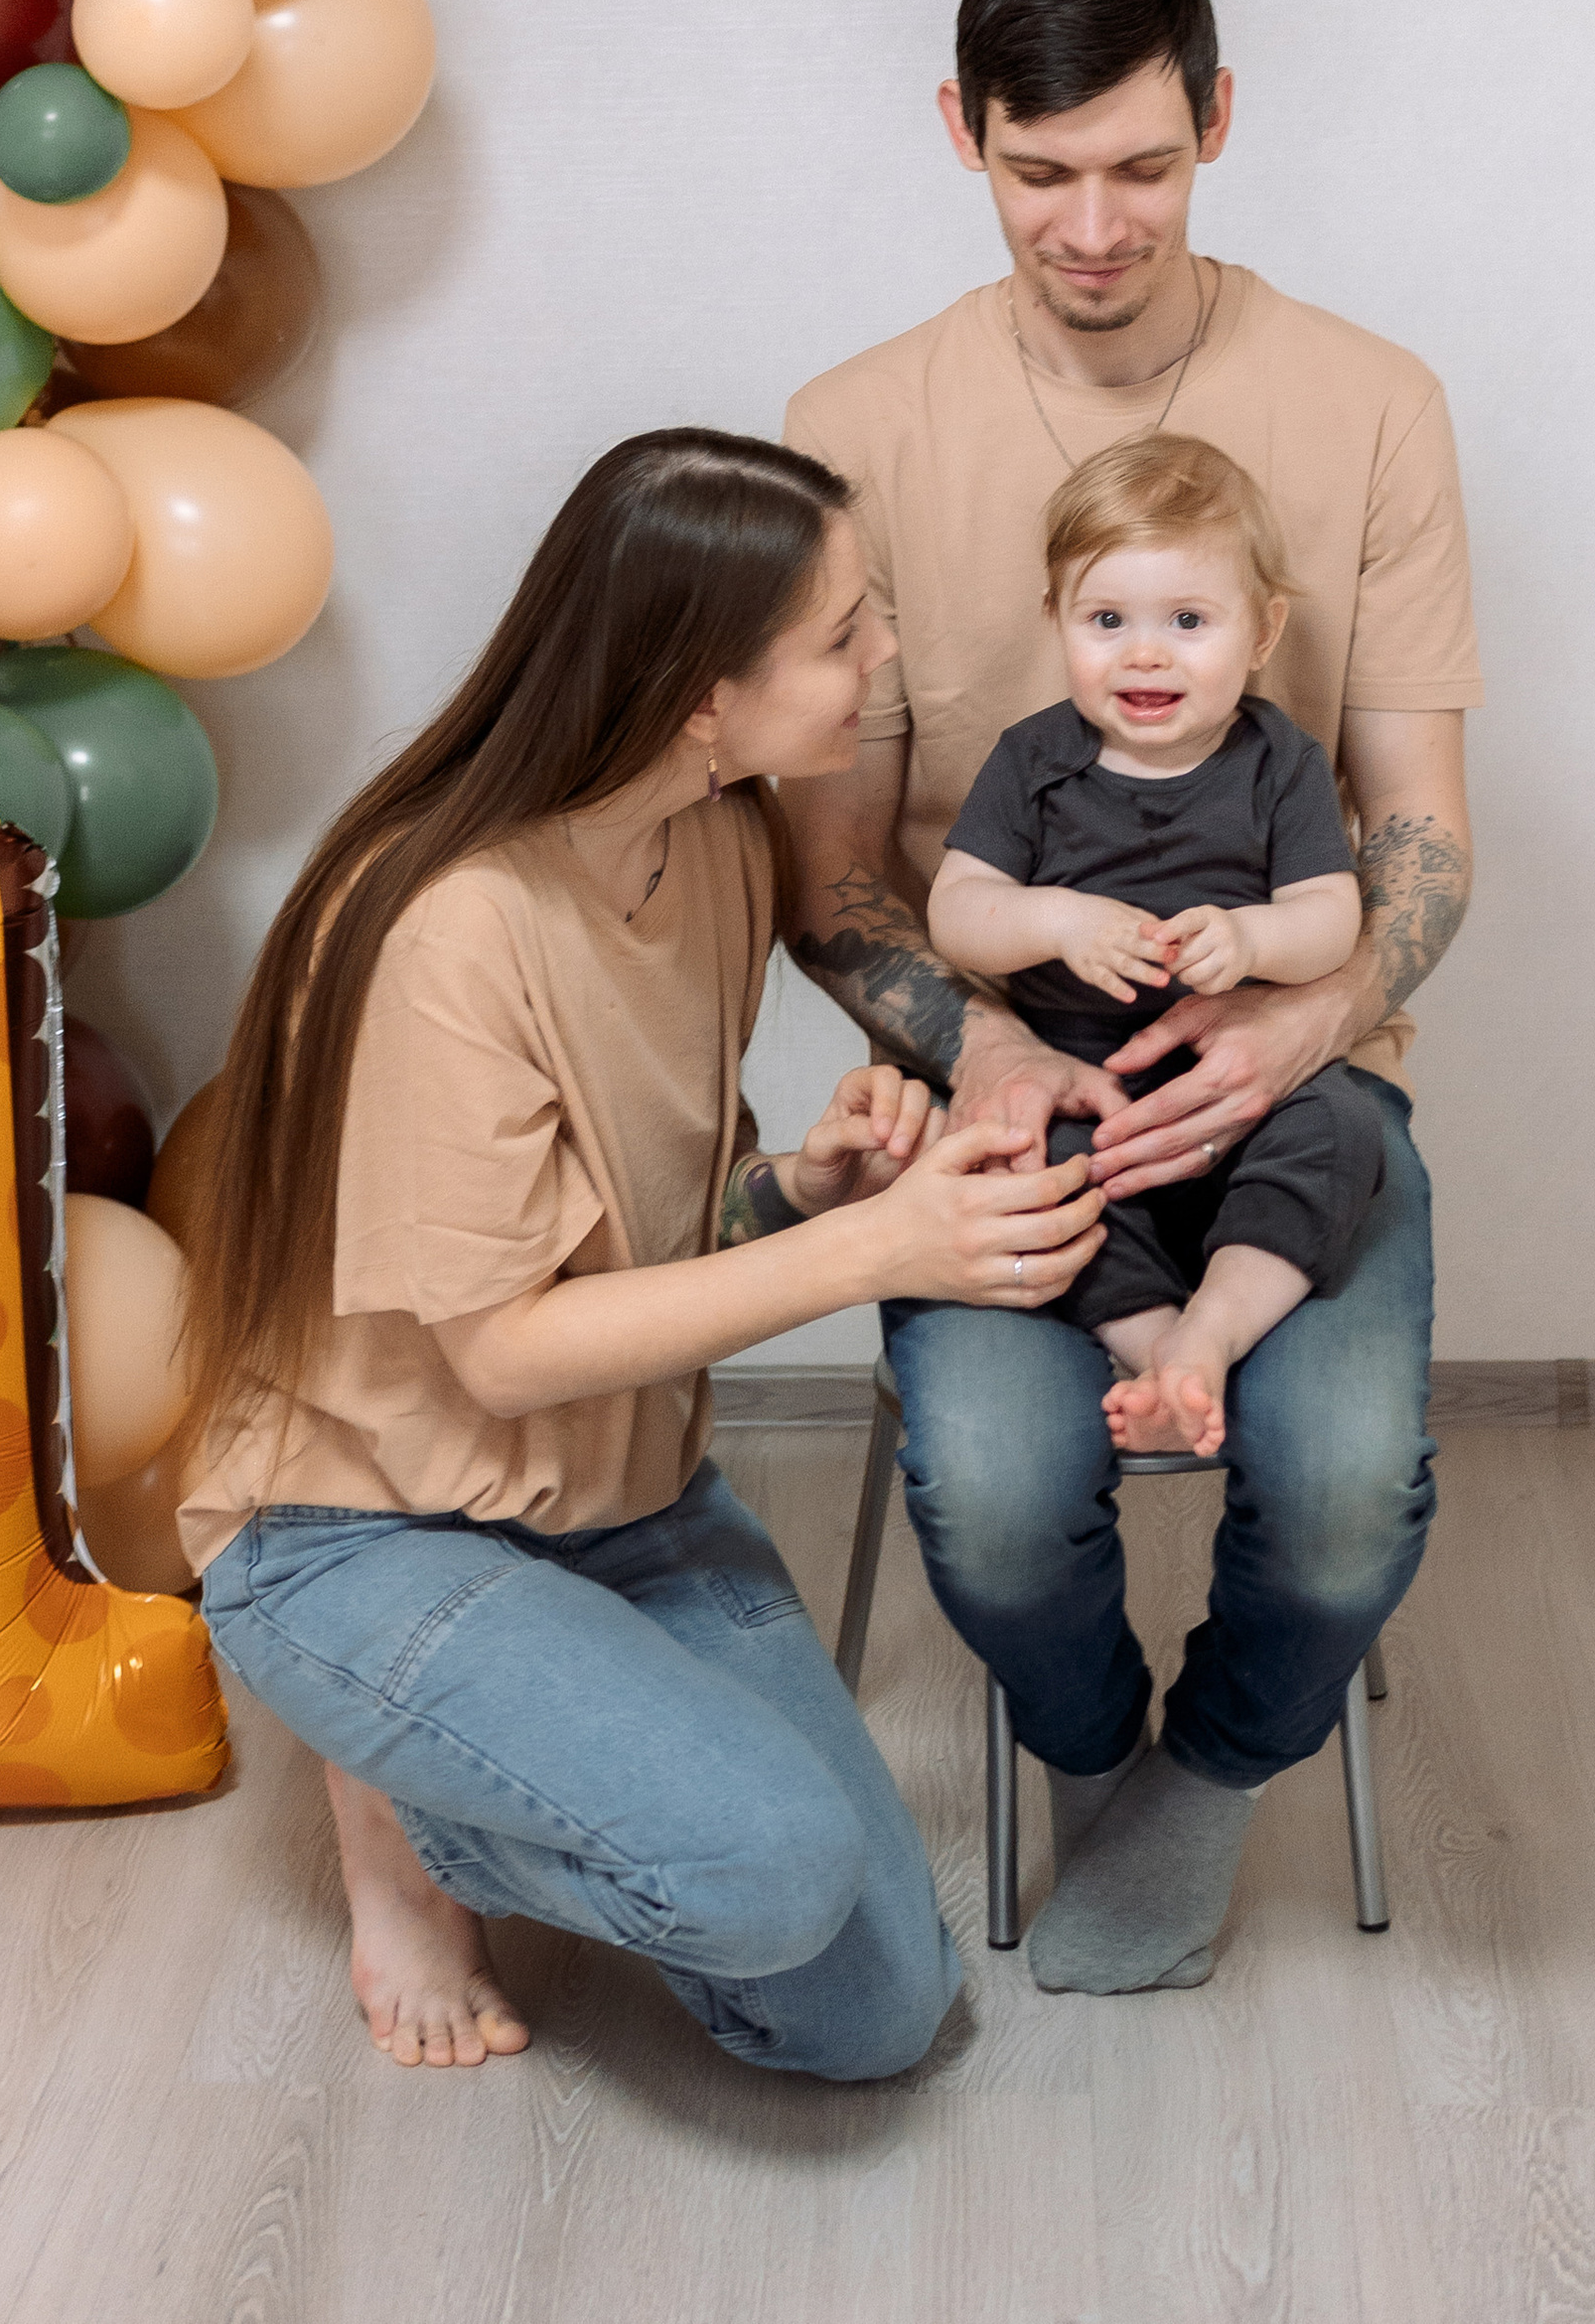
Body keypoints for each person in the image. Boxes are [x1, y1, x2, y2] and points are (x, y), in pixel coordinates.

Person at [178, 428, 1102, 2078]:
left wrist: (806, 1188)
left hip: (632, 1506)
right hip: (363, 1532)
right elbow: (503, 1347)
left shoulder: (719, 846)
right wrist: (893, 1247)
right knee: (766, 1868)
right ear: (699, 697)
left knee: (880, 2014)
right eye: (842, 636)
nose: (882, 657)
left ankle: (497, 1764)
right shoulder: (446, 927)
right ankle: (402, 1821)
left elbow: (629, 1223)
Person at [783, 0, 1479, 1997]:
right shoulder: (855, 419)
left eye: (1143, 166)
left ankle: (1215, 1767)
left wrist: (1305, 1023)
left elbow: (1422, 834)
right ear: (957, 137)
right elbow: (828, 880)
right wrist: (986, 1048)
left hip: (1298, 1079)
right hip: (1011, 1085)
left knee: (1344, 1496)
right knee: (998, 1505)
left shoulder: (1369, 405)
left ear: (1218, 124)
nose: (1092, 226)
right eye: (1038, 169)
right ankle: (1093, 1751)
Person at [928, 434, 1378, 1463]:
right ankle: (1158, 1349)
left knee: (1343, 1133)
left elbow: (1331, 918)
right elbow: (957, 910)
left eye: (1186, 620)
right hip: (1088, 1088)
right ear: (1056, 623)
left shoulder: (1279, 763)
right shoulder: (1032, 760)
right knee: (1024, 1172)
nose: (1145, 653)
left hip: (1246, 1087)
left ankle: (1212, 1333)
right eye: (1106, 620)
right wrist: (1055, 918)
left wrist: (1253, 935)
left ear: (1261, 632)